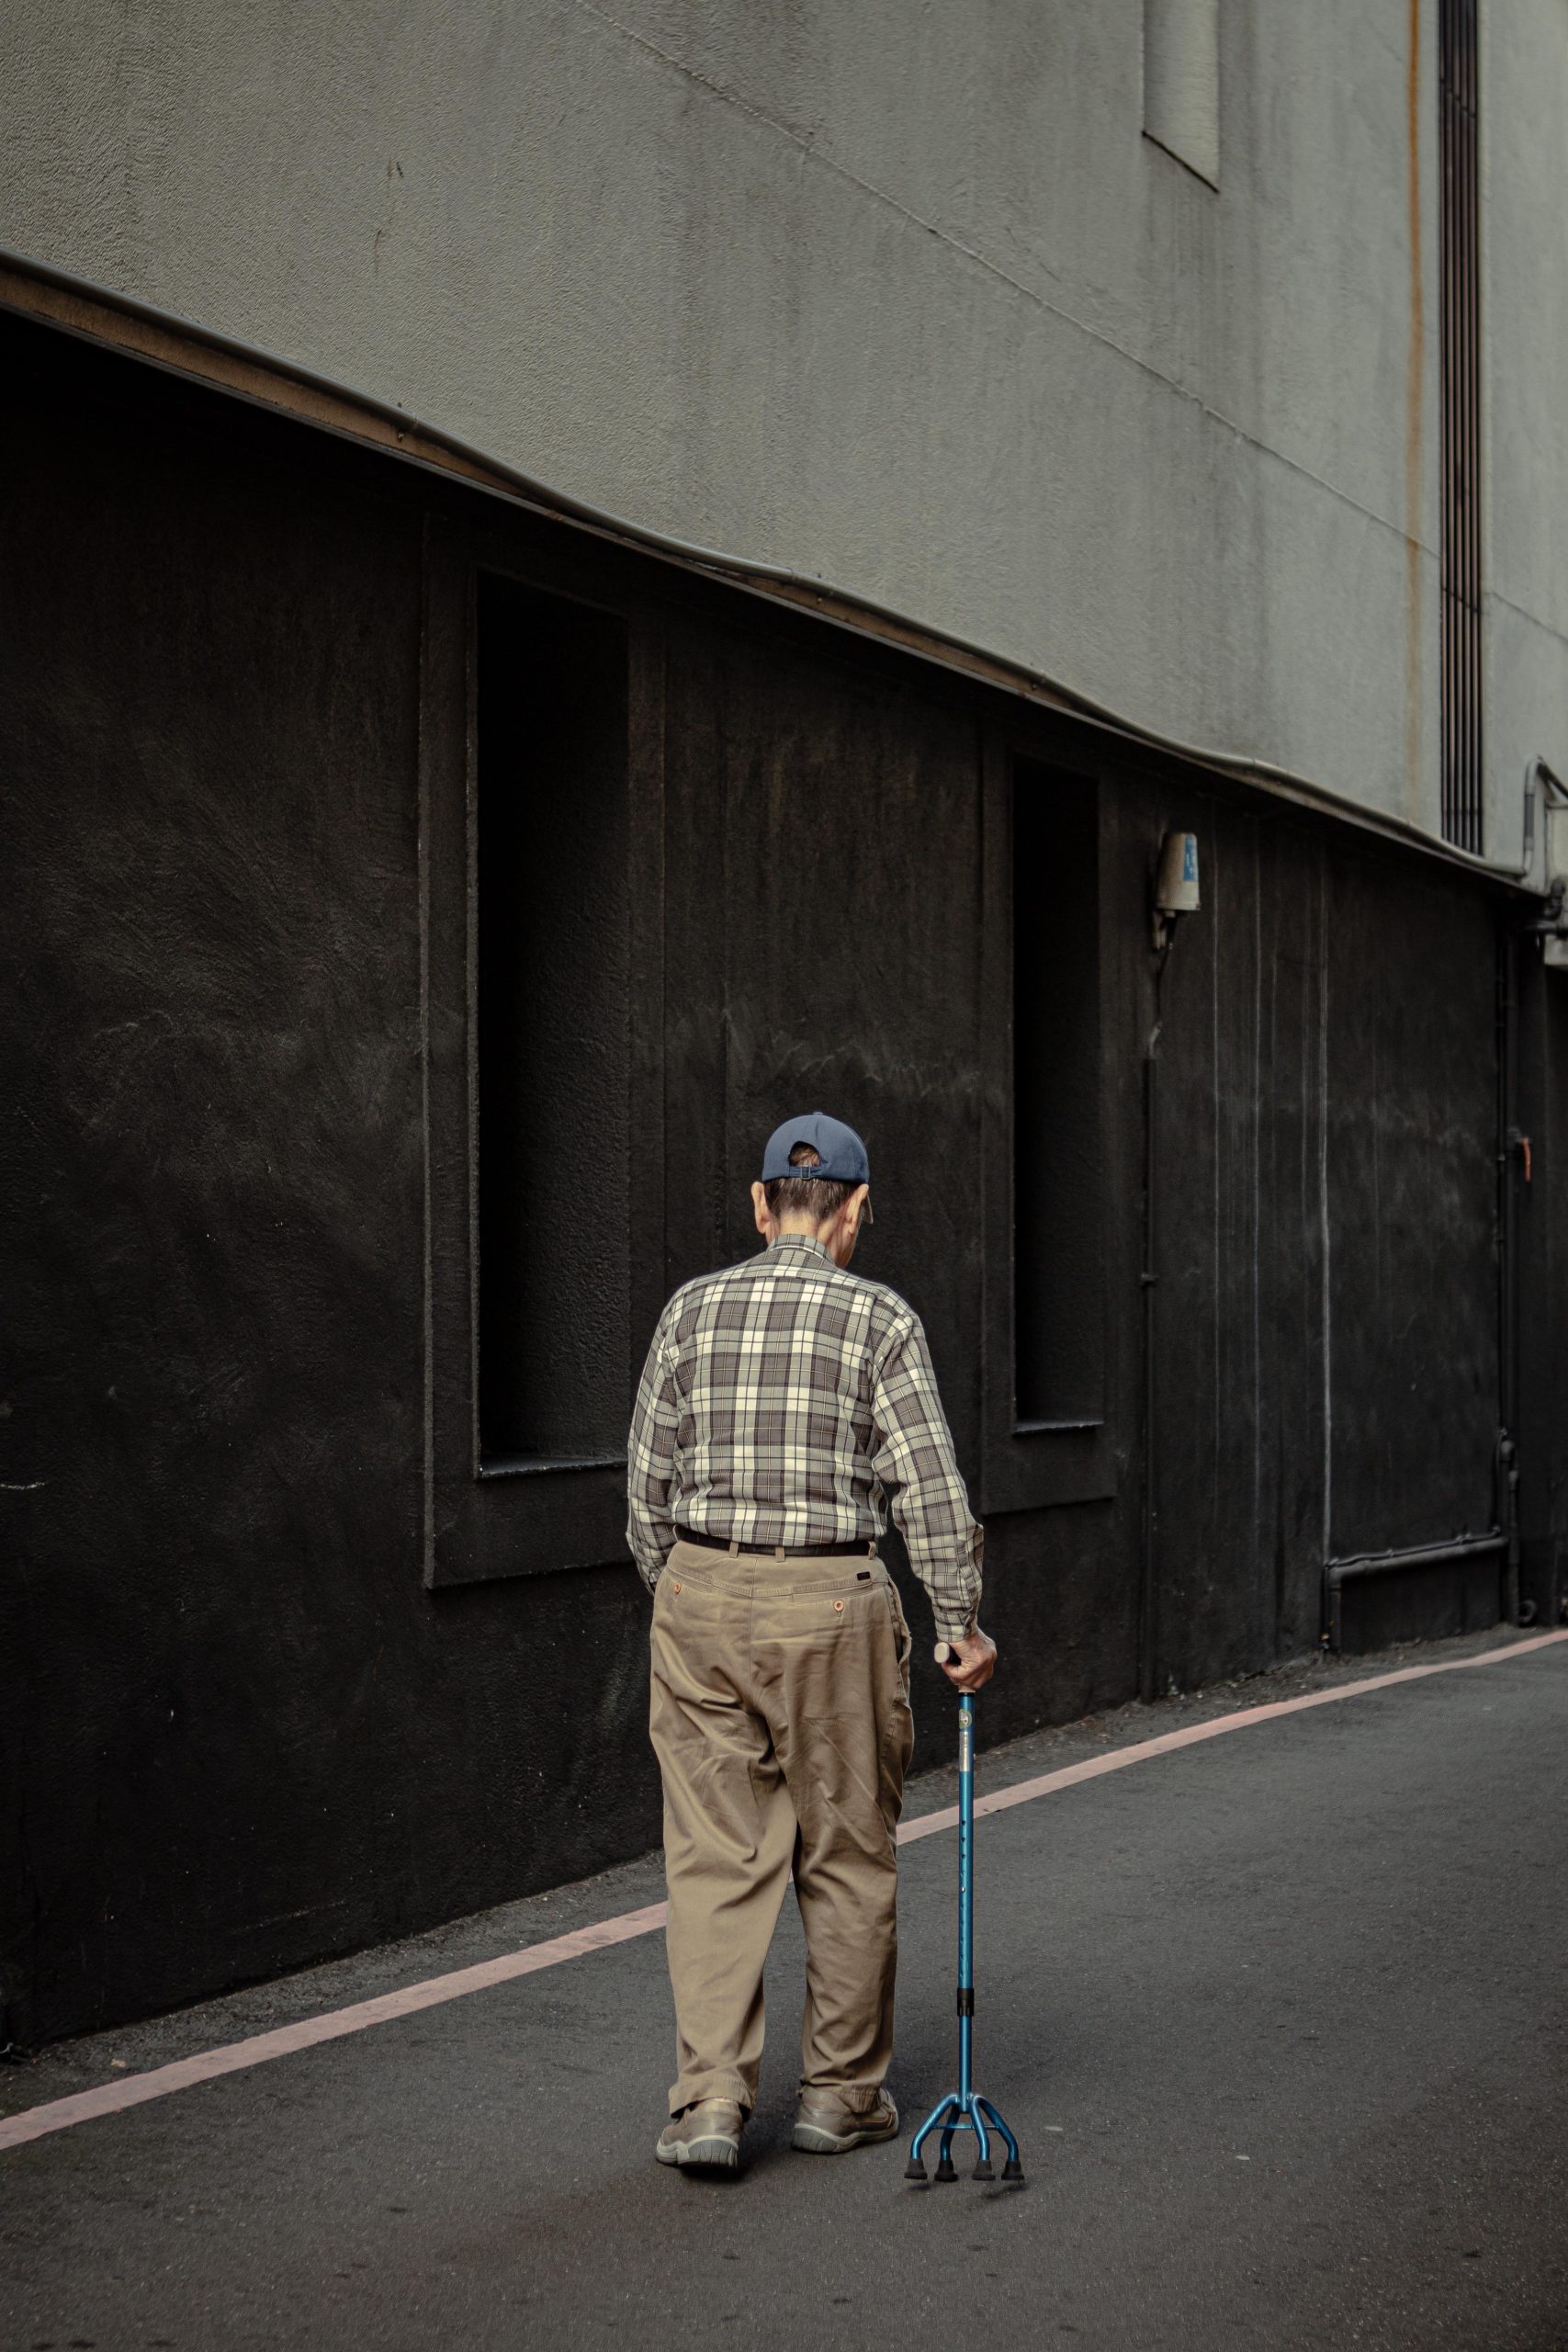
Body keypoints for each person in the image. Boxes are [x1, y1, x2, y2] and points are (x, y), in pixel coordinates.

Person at [626, 1111, 997, 2174]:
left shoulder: (690, 1310)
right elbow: (927, 1487)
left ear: (758, 1203)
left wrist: (686, 1589)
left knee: (711, 1860)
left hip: (698, 1589)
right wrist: (958, 1624)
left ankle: (707, 2102)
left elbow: (645, 1487)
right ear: (853, 1211)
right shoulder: (879, 1320)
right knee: (843, 1853)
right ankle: (839, 2097)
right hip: (833, 1600)